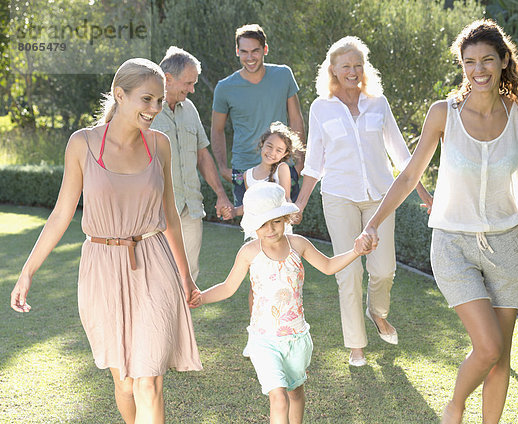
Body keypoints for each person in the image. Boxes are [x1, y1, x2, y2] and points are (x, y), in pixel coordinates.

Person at [358, 20, 518, 424]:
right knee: (489, 346)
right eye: (469, 62)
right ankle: (455, 406)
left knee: (501, 357)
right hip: (453, 244)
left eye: (487, 60)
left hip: (508, 244)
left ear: (504, 61)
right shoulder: (444, 114)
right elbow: (409, 175)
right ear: (462, 66)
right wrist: (374, 222)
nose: (478, 70)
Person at [10, 58, 203, 424]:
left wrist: (186, 277)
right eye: (146, 99)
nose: (154, 109)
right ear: (120, 94)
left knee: (149, 382)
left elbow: (170, 217)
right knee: (126, 382)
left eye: (160, 101)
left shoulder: (159, 145)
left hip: (153, 262)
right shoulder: (82, 144)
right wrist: (28, 271)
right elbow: (61, 214)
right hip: (101, 268)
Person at [294, 36, 433, 367]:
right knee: (349, 272)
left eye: (358, 65)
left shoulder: (378, 103)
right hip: (339, 197)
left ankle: (377, 312)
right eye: (346, 66)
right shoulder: (320, 107)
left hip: (380, 199)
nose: (353, 72)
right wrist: (299, 204)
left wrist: (424, 192)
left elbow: (400, 153)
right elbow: (314, 163)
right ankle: (356, 345)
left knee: (384, 270)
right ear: (333, 70)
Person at [198, 182, 371, 424]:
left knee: (296, 392)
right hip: (264, 340)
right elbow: (228, 287)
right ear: (253, 225)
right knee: (278, 397)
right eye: (263, 224)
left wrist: (355, 251)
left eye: (276, 221)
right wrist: (200, 297)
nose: (270, 229)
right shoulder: (249, 252)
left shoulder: (298, 245)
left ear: (286, 218)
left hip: (297, 339)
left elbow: (329, 266)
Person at [151, 46, 234, 281]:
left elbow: (202, 155)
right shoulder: (146, 111)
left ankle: (184, 319)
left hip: (191, 209)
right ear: (167, 79)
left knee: (189, 275)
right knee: (159, 276)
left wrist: (220, 194)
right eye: (188, 83)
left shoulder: (190, 110)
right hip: (159, 212)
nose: (192, 89)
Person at [211, 24, 305, 207]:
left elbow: (296, 119)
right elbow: (217, 129)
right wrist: (223, 168)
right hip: (244, 170)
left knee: (286, 226)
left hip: (282, 167)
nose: (250, 57)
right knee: (250, 230)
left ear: (265, 50)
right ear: (237, 51)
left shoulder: (283, 75)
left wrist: (300, 162)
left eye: (255, 51)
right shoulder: (224, 87)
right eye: (244, 51)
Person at [233, 121, 305, 218]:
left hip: (277, 225)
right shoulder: (248, 175)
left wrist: (292, 214)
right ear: (262, 144)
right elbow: (249, 205)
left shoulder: (282, 169)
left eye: (278, 150)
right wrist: (232, 212)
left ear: (285, 154)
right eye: (269, 146)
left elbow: (286, 199)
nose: (272, 152)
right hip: (257, 228)